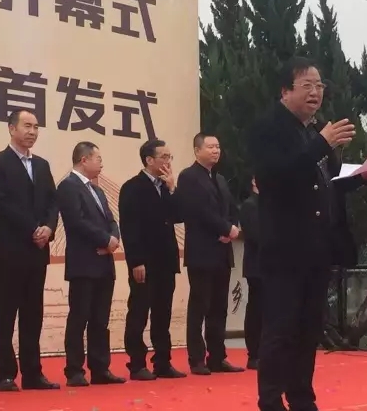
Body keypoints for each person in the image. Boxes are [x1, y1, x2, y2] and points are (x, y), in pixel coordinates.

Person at [247, 56, 367, 411]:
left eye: (319, 85)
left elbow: (328, 184)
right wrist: (321, 144)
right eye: (306, 85)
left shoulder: (314, 131)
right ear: (284, 91)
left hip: (318, 248)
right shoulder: (268, 128)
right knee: (280, 330)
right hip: (284, 249)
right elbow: (275, 178)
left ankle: (302, 398)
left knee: (308, 330)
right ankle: (271, 401)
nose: (315, 92)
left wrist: (362, 177)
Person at [0, 109, 60, 392]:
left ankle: (32, 373)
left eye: (36, 127)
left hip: (37, 252)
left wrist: (48, 228)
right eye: (27, 126)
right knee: (5, 315)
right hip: (10, 251)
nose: (32, 132)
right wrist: (33, 229)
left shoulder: (41, 164)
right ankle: (5, 374)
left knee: (32, 314)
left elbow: (53, 202)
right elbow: (0, 203)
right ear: (11, 128)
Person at [57, 142, 125, 387]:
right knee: (79, 318)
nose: (101, 163)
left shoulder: (97, 190)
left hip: (104, 262)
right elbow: (76, 221)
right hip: (83, 263)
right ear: (84, 160)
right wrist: (105, 239)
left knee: (100, 319)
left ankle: (100, 368)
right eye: (98, 158)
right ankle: (75, 370)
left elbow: (111, 220)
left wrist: (113, 239)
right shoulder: (68, 186)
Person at [177, 133, 244, 375]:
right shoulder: (188, 177)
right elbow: (198, 211)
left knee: (219, 307)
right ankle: (197, 359)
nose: (216, 151)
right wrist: (224, 229)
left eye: (217, 146)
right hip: (202, 250)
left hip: (222, 251)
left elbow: (231, 209)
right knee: (200, 306)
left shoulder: (220, 178)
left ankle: (218, 357)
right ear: (197, 150)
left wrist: (231, 228)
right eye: (210, 147)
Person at [119, 139, 187, 380]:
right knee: (139, 312)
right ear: (149, 160)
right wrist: (136, 261)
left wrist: (172, 189)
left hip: (166, 260)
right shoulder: (132, 187)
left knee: (163, 313)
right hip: (144, 262)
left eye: (170, 157)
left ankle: (162, 362)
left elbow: (179, 215)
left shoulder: (167, 186)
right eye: (164, 157)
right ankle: (137, 363)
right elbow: (129, 227)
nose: (168, 162)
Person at [239, 177, 261, 370]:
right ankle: (254, 353)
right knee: (256, 308)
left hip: (273, 265)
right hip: (257, 265)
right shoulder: (250, 205)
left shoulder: (271, 204)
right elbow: (255, 235)